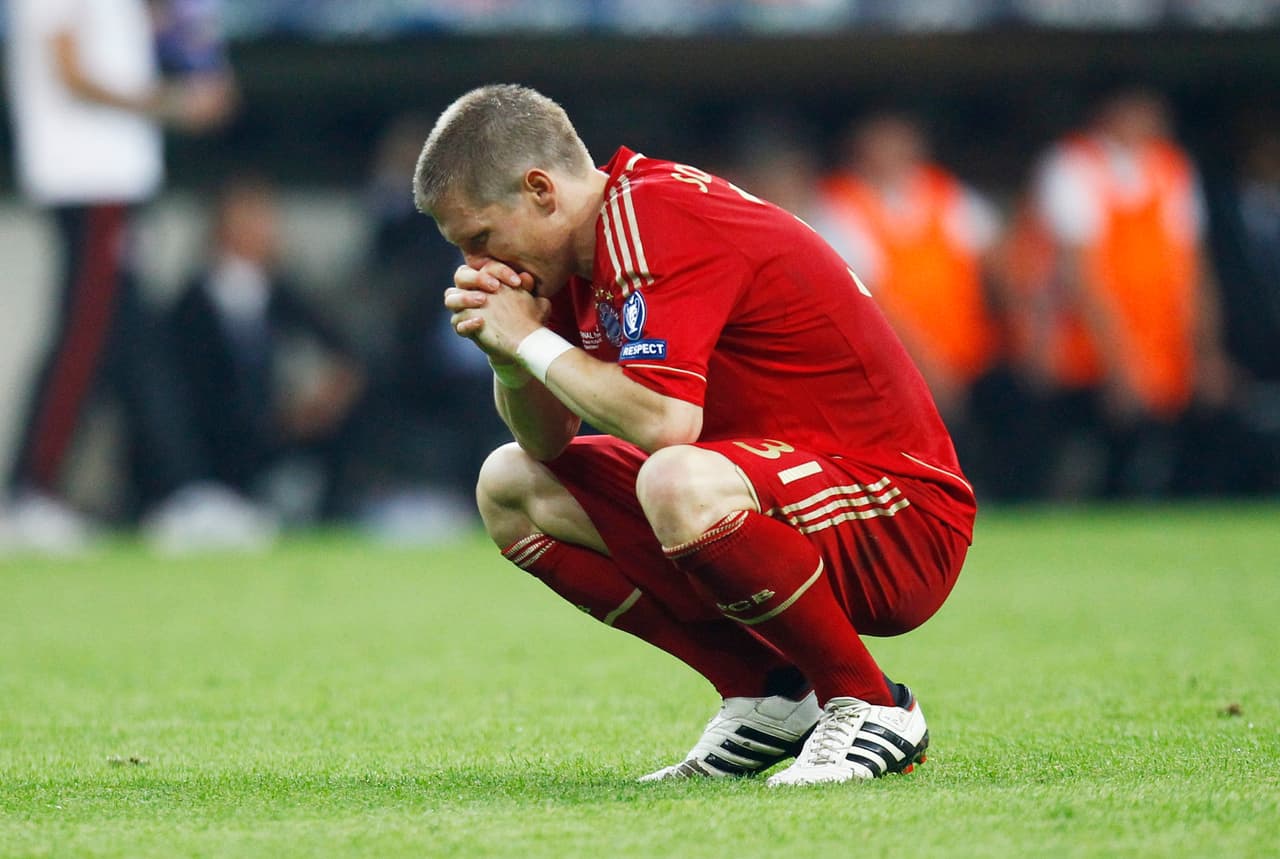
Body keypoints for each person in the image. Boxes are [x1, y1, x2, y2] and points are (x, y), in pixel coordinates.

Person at [415, 84, 975, 786]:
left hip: (900, 509)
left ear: (540, 190)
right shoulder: (572, 256)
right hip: (781, 489)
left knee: (675, 476)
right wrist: (511, 355)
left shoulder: (653, 216)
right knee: (512, 484)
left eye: (480, 237)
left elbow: (664, 422)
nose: (477, 264)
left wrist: (528, 338)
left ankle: (871, 702)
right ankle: (769, 693)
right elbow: (549, 442)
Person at [2, 0, 251, 553]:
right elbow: (69, 72)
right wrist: (173, 103)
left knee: (136, 343)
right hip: (86, 177)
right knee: (81, 340)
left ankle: (178, 491)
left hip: (116, 177)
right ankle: (28, 493)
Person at [1016, 85, 1234, 497]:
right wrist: (1119, 362)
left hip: (1161, 345)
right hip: (1084, 348)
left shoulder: (1170, 166)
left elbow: (1193, 268)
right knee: (1087, 451)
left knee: (1166, 453)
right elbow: (1080, 274)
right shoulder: (1073, 164)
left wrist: (1206, 351)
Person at [818, 112, 1015, 497]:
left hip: (969, 354)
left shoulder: (943, 193)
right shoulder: (841, 205)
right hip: (892, 364)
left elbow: (996, 256)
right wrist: (927, 364)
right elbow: (871, 299)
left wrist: (1019, 320)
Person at [163, 175, 367, 523]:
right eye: (256, 218)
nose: (270, 230)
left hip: (280, 439)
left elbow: (342, 348)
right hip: (218, 449)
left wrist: (323, 395)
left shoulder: (281, 292)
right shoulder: (190, 307)